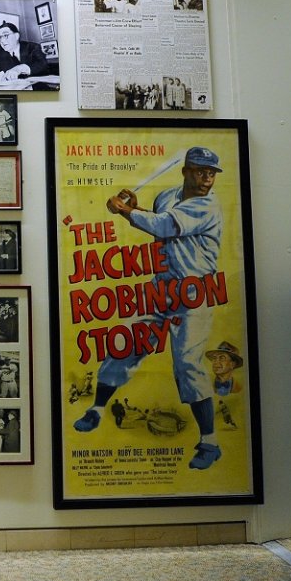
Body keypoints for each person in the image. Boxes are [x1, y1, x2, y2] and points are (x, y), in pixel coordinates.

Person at [73, 146, 225, 471]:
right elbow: (158, 217)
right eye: (199, 170)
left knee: (187, 365)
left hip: (194, 294)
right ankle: (97, 409)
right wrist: (131, 205)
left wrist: (123, 212)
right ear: (186, 171)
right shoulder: (169, 195)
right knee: (124, 342)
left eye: (211, 173)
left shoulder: (207, 205)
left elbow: (164, 227)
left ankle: (209, 442)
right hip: (162, 290)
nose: (206, 178)